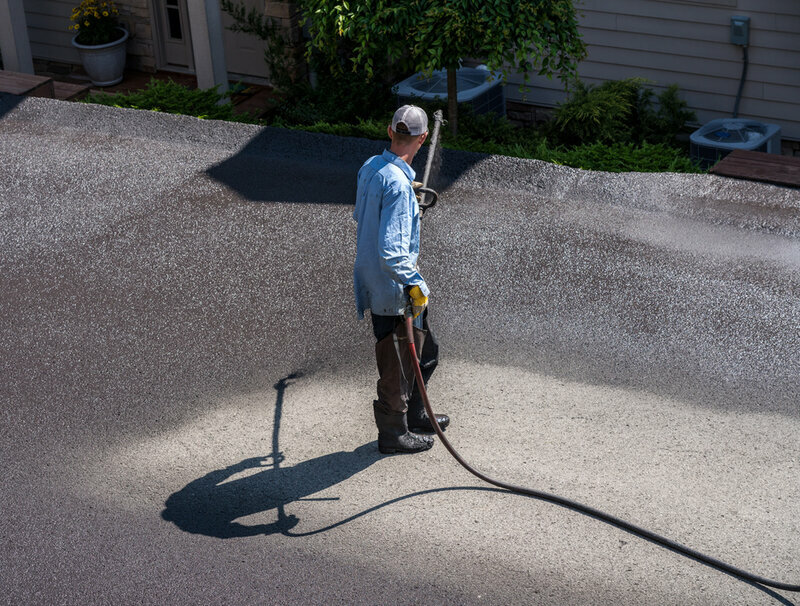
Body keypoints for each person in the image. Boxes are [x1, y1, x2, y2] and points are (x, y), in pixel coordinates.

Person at [353, 105, 450, 455]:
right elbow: (392, 252)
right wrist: (415, 286)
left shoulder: (372, 168)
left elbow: (364, 214)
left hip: (374, 278)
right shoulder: (397, 185)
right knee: (395, 361)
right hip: (394, 286)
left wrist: (409, 195)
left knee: (426, 351)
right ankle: (394, 433)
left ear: (390, 130)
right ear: (422, 138)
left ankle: (418, 413)